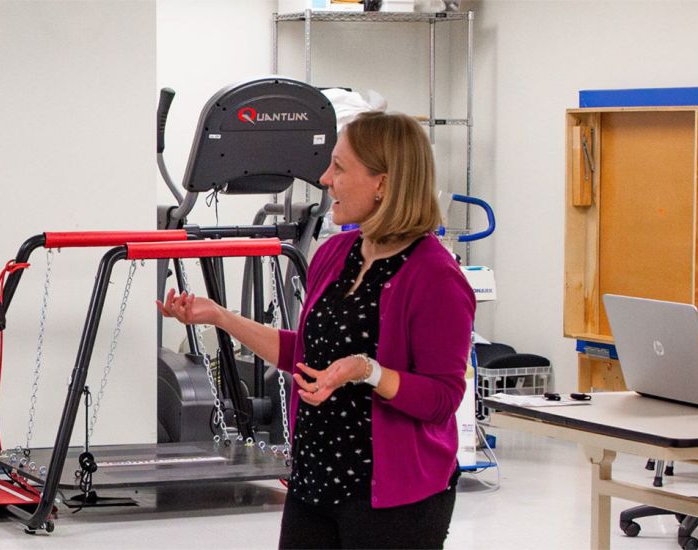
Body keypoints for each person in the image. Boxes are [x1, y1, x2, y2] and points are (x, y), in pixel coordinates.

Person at [159, 111, 474, 549]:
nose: (325, 179)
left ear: (382, 183)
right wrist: (221, 317)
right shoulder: (335, 253)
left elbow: (443, 399)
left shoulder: (436, 276)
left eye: (340, 168)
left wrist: (368, 371)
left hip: (392, 495)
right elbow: (304, 355)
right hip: (315, 478)